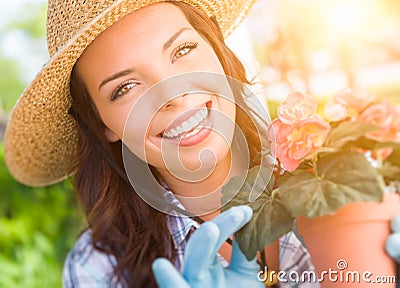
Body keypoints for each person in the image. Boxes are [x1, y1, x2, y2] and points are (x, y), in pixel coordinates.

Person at [5, 0, 360, 287]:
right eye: (124, 88)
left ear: (217, 49)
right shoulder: (97, 270)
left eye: (183, 49)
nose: (172, 93)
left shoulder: (341, 171)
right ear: (102, 125)